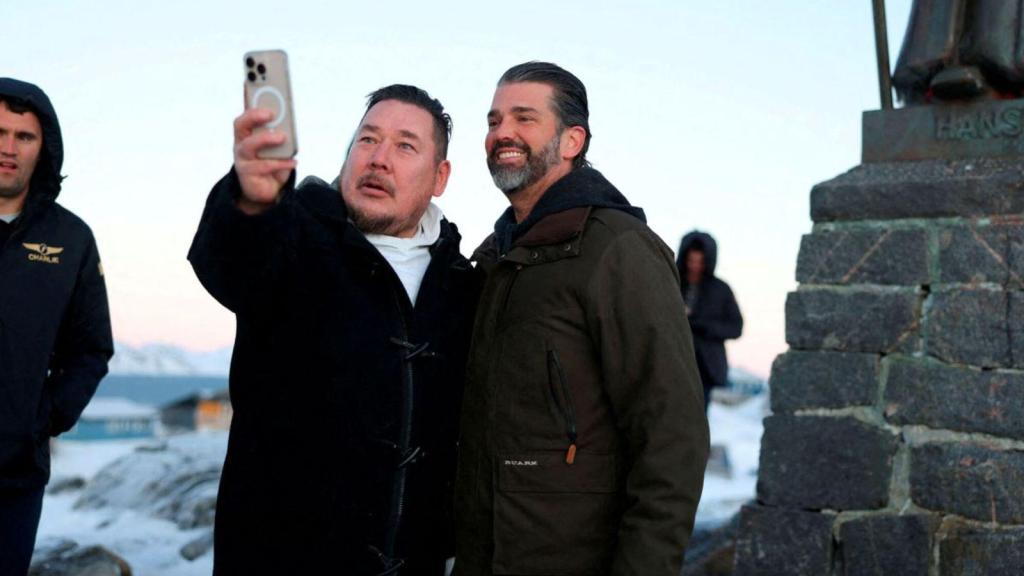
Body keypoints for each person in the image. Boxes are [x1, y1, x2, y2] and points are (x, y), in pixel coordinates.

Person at [188, 84, 478, 575]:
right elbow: (230, 265)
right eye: (367, 140)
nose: (379, 158)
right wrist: (252, 201)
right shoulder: (294, 238)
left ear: (440, 176)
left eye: (405, 146)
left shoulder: (463, 286)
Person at [454, 62, 709, 576]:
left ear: (572, 141)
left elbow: (671, 438)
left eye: (524, 118)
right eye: (493, 120)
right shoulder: (495, 259)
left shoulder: (618, 250)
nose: (502, 132)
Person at [0, 78, 113, 575]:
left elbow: (91, 350)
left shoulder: (70, 240)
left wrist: (43, 417)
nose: (8, 148)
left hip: (13, 480)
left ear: (43, 147)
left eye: (24, 137)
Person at [677, 231, 744, 413]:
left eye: (700, 262)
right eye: (691, 261)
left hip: (704, 368)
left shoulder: (721, 290)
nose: (695, 267)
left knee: (697, 416)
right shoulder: (671, 281)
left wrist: (703, 325)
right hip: (673, 360)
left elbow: (736, 327)